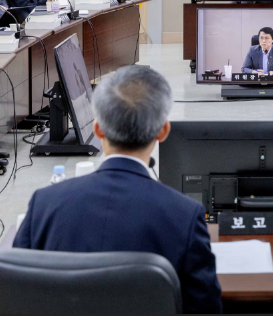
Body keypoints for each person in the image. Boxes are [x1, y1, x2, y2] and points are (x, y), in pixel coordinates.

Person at [14, 66, 222, 314]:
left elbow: (16, 293)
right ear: (163, 131)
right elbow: (206, 308)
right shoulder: (185, 215)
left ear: (98, 129)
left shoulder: (44, 204)